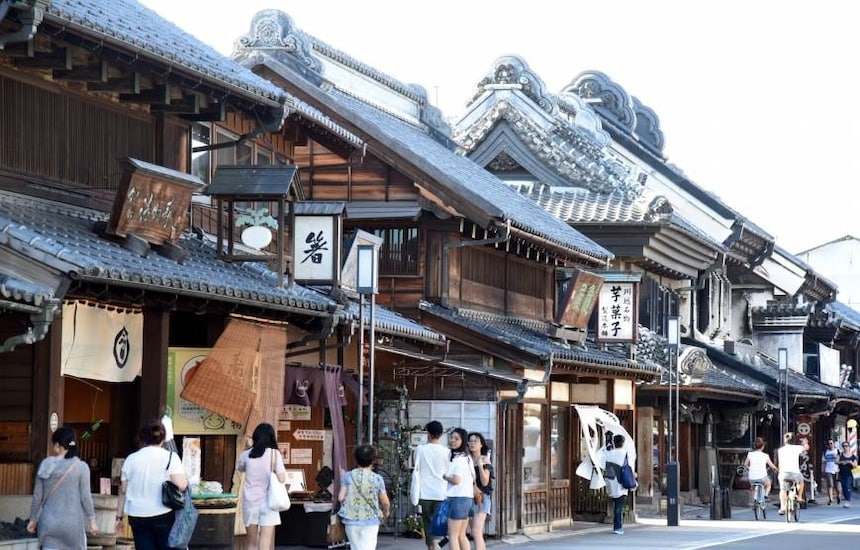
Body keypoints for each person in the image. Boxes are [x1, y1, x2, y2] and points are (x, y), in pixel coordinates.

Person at [117, 419, 188, 550]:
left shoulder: (131, 459)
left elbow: (124, 489)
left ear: (142, 438)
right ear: (163, 439)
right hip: (163, 513)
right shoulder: (171, 457)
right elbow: (182, 485)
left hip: (137, 515)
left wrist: (119, 517)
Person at [27, 426, 97, 550]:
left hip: (49, 524)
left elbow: (37, 496)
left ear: (58, 445)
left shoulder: (45, 465)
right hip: (73, 525)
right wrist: (92, 520)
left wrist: (33, 519)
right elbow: (85, 497)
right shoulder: (81, 467)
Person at [237, 422, 287, 550]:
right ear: (271, 437)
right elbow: (282, 479)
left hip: (250, 503)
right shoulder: (275, 454)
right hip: (268, 504)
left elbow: (240, 468)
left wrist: (247, 448)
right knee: (264, 544)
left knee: (251, 543)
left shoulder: (246, 454)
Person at [338, 444, 390, 550]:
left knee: (355, 547)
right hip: (371, 519)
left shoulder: (348, 476)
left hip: (351, 519)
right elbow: (385, 502)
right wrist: (386, 512)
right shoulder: (377, 478)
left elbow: (340, 497)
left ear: (356, 459)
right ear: (372, 460)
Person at [412, 420, 449, 550]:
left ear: (428, 433)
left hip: (425, 493)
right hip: (441, 492)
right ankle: (437, 546)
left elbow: (415, 467)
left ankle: (434, 547)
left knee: (428, 527)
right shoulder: (447, 452)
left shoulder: (420, 450)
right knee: (438, 527)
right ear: (442, 434)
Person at [441, 428, 474, 550]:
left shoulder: (458, 460)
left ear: (463, 440)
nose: (452, 441)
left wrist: (445, 477)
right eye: (452, 437)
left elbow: (457, 480)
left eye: (456, 439)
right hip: (467, 498)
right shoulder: (467, 457)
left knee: (453, 535)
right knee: (461, 535)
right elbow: (472, 478)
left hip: (457, 498)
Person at [603, 434, 635, 535]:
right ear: (623, 443)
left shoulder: (609, 453)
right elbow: (629, 467)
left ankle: (617, 526)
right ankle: (617, 527)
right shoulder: (624, 453)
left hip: (610, 481)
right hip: (621, 482)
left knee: (616, 504)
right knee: (619, 506)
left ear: (614, 442)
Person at [467, 432, 493, 550]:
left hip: (481, 498)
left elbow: (485, 482)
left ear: (481, 444)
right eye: (470, 441)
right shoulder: (466, 459)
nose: (472, 443)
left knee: (476, 531)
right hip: (468, 496)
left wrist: (480, 465)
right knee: (474, 532)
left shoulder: (485, 459)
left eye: (475, 441)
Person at [776, 432, 807, 515]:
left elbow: (779, 463)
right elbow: (806, 447)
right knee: (801, 481)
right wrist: (804, 442)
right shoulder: (797, 448)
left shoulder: (780, 450)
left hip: (784, 473)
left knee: (783, 489)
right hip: (795, 473)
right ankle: (800, 497)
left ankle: (782, 507)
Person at [744, 436, 776, 502]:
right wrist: (776, 469)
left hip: (752, 477)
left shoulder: (750, 454)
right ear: (763, 446)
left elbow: (745, 465)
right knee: (768, 484)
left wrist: (750, 469)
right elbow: (772, 466)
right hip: (762, 477)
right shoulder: (765, 455)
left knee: (752, 487)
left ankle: (754, 499)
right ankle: (766, 495)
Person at [837, 441, 857, 508]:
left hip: (849, 474)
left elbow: (855, 465)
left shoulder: (853, 456)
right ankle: (846, 499)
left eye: (846, 446)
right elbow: (836, 461)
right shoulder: (840, 455)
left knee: (847, 486)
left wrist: (850, 462)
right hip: (841, 473)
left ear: (849, 447)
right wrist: (842, 462)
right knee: (843, 486)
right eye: (844, 446)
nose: (845, 447)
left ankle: (847, 501)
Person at [821, 439, 841, 505]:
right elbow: (823, 462)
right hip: (828, 470)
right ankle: (830, 499)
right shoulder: (825, 452)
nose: (830, 445)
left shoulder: (837, 451)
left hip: (836, 470)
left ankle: (838, 495)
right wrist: (823, 470)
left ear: (834, 444)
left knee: (837, 485)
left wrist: (836, 459)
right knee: (830, 485)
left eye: (831, 443)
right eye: (829, 443)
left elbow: (839, 460)